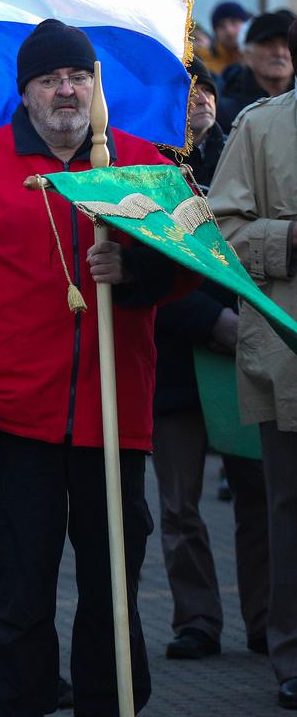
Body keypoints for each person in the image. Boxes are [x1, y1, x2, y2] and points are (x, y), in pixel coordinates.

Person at [0, 19, 182, 716]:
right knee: (19, 591)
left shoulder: (143, 163)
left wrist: (137, 270)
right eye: (49, 81)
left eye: (77, 78)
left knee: (113, 590)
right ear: (25, 93)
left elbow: (191, 269)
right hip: (13, 420)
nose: (66, 91)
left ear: (95, 86)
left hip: (113, 417)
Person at [152, 60, 269, 665]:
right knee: (178, 504)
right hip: (176, 359)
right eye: (186, 90)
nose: (198, 100)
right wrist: (207, 321)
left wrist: (232, 324)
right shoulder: (151, 166)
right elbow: (149, 266)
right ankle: (196, 618)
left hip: (241, 352)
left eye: (207, 89)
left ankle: (266, 621)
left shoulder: (243, 155)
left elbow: (250, 252)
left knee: (258, 496)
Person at [208, 16, 297, 711]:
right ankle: (290, 655)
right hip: (287, 360)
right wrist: (290, 240)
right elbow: (222, 232)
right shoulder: (260, 129)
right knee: (287, 515)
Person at [218, 9, 294, 131]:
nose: (279, 52)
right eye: (268, 44)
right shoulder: (224, 113)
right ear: (246, 54)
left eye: (287, 44)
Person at [200, 1, 249, 78]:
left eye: (234, 22)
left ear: (246, 25)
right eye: (221, 26)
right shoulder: (206, 65)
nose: (229, 30)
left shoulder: (258, 59)